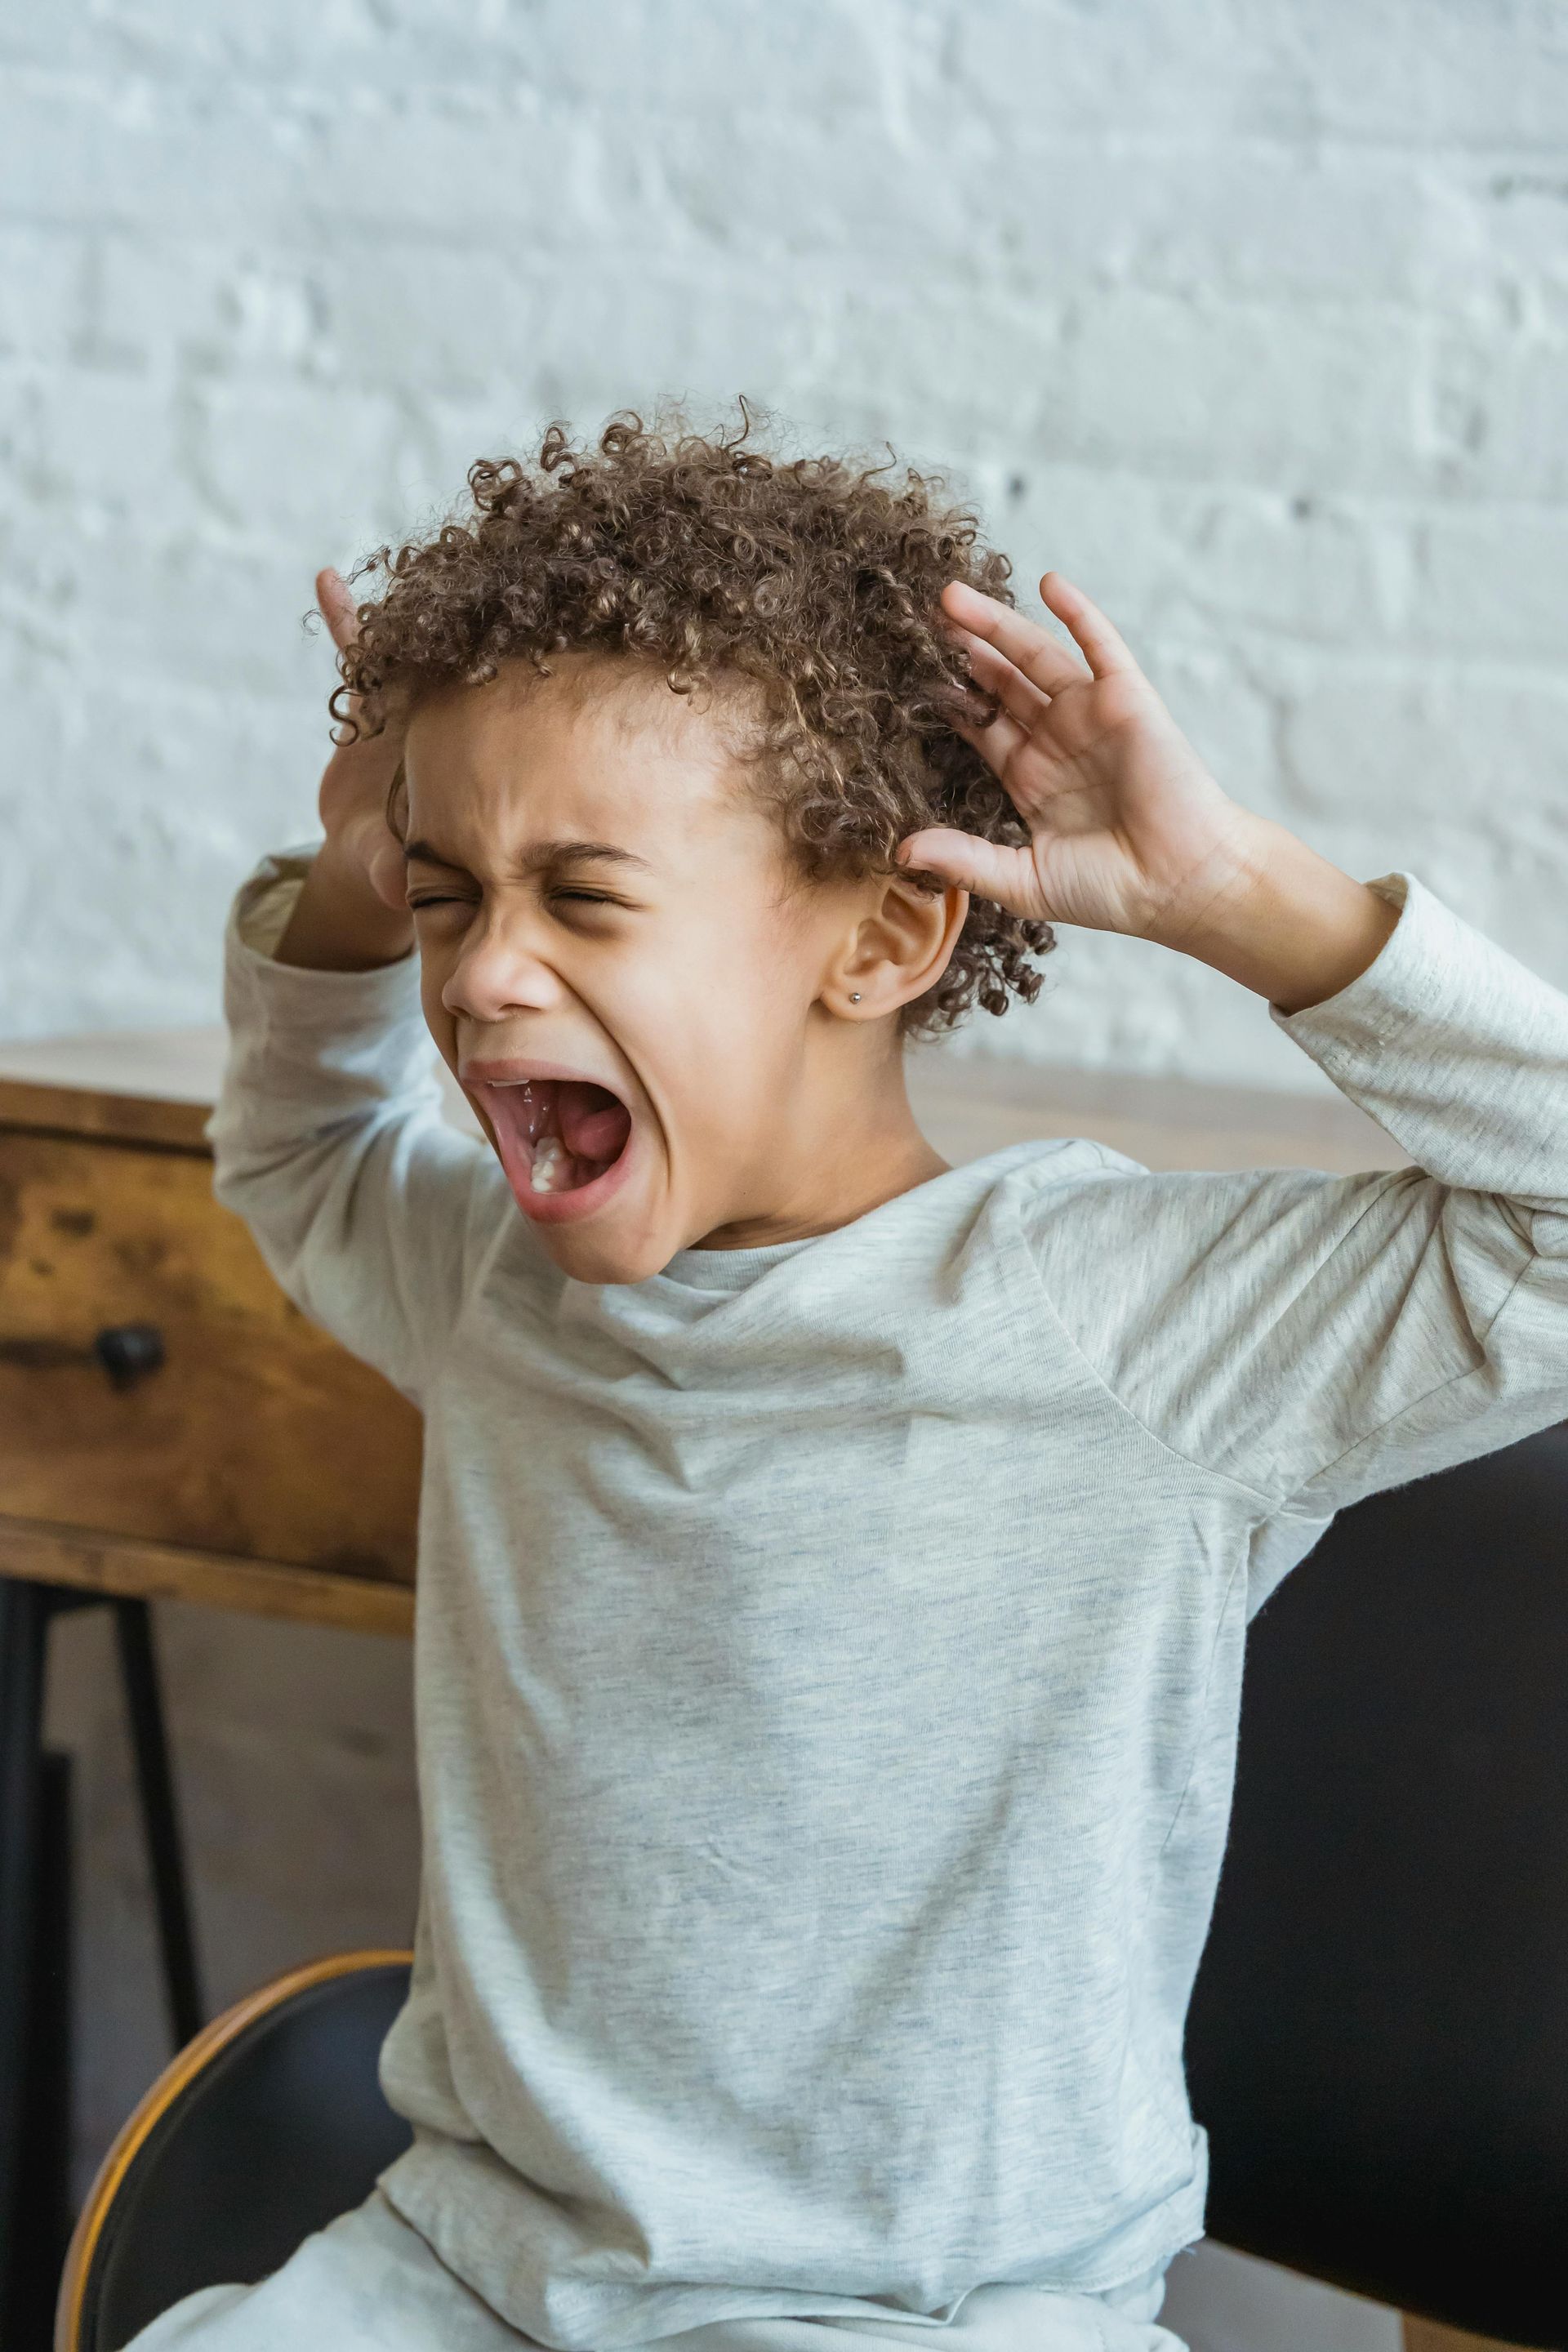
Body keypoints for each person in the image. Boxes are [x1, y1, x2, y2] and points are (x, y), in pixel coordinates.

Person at [130, 413, 1568, 2351]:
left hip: (927, 2317)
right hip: (469, 2263)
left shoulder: (1114, 1323)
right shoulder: (498, 1280)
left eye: (586, 896)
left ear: (885, 936)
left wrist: (1236, 891)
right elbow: (296, 1147)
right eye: (452, 894)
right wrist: (346, 886)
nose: (475, 977)